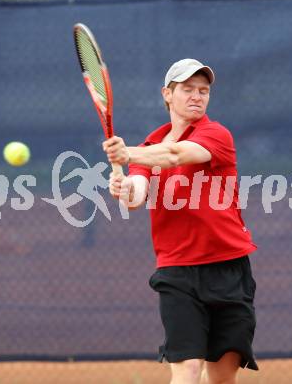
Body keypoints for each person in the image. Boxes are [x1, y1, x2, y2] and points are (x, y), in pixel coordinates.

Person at [102, 58, 258, 384]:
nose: (197, 96)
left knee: (221, 376)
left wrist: (127, 154)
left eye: (203, 90)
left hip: (228, 267)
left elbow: (176, 155)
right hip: (177, 272)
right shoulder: (149, 145)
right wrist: (124, 187)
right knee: (186, 368)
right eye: (187, 89)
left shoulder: (216, 134)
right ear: (167, 95)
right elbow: (136, 196)